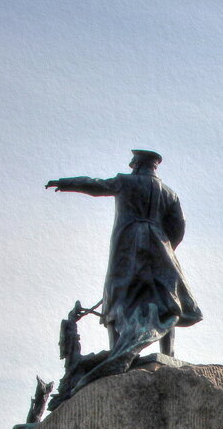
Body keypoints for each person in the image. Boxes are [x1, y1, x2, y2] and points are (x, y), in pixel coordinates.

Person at [46, 150, 202, 366]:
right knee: (165, 297)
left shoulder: (125, 182)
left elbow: (94, 185)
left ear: (137, 164)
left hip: (127, 243)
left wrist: (65, 183)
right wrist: (164, 246)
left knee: (117, 291)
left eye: (133, 161)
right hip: (159, 245)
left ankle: (116, 353)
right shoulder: (169, 193)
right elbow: (178, 227)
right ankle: (168, 353)